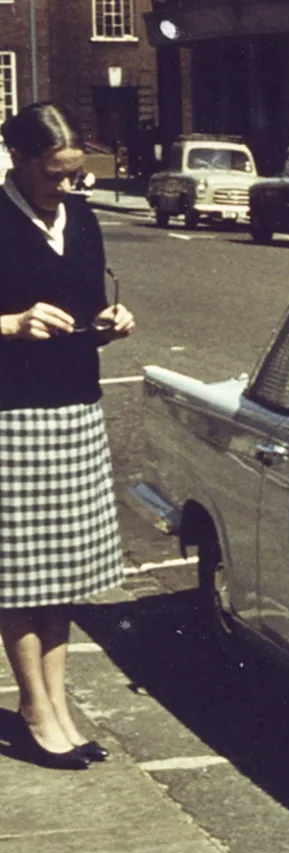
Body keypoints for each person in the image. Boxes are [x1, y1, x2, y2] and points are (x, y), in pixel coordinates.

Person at [0, 103, 135, 770]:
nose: (68, 187)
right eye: (55, 175)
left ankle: (59, 702)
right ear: (19, 162)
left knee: (60, 571)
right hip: (11, 414)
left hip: (75, 405)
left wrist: (109, 321)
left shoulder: (81, 218)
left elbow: (86, 305)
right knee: (19, 575)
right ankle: (33, 708)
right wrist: (11, 325)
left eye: (75, 175)